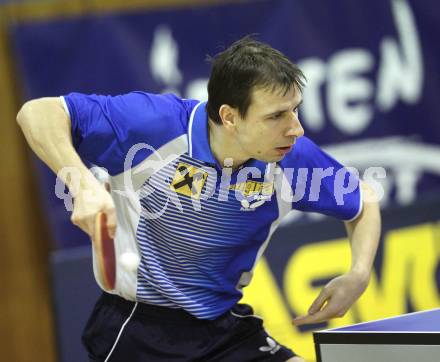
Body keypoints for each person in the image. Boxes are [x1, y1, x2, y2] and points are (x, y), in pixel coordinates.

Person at [17, 37, 381, 362]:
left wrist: (360, 272)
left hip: (223, 330)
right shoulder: (154, 127)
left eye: (295, 110)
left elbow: (363, 198)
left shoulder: (291, 159)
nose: (296, 128)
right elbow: (37, 112)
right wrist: (80, 183)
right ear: (229, 117)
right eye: (276, 116)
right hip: (138, 332)